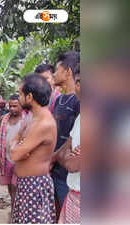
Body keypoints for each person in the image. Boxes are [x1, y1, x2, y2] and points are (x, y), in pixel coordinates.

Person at [10, 73, 57, 224]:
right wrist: (18, 142)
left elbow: (15, 154)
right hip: (27, 184)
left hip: (34, 186)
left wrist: (17, 143)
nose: (19, 97)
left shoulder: (43, 124)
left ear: (29, 97)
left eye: (20, 94)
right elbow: (15, 147)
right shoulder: (32, 119)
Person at [50, 51, 80, 215]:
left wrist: (57, 157)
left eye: (57, 70)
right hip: (54, 168)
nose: (54, 74)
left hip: (68, 174)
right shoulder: (59, 100)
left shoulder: (78, 101)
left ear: (68, 72)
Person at [0, 94, 24, 220]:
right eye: (10, 106)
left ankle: (15, 213)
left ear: (21, 105)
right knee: (9, 186)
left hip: (20, 161)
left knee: (16, 187)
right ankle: (13, 211)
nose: (12, 109)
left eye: (15, 106)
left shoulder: (26, 120)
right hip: (6, 158)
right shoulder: (3, 119)